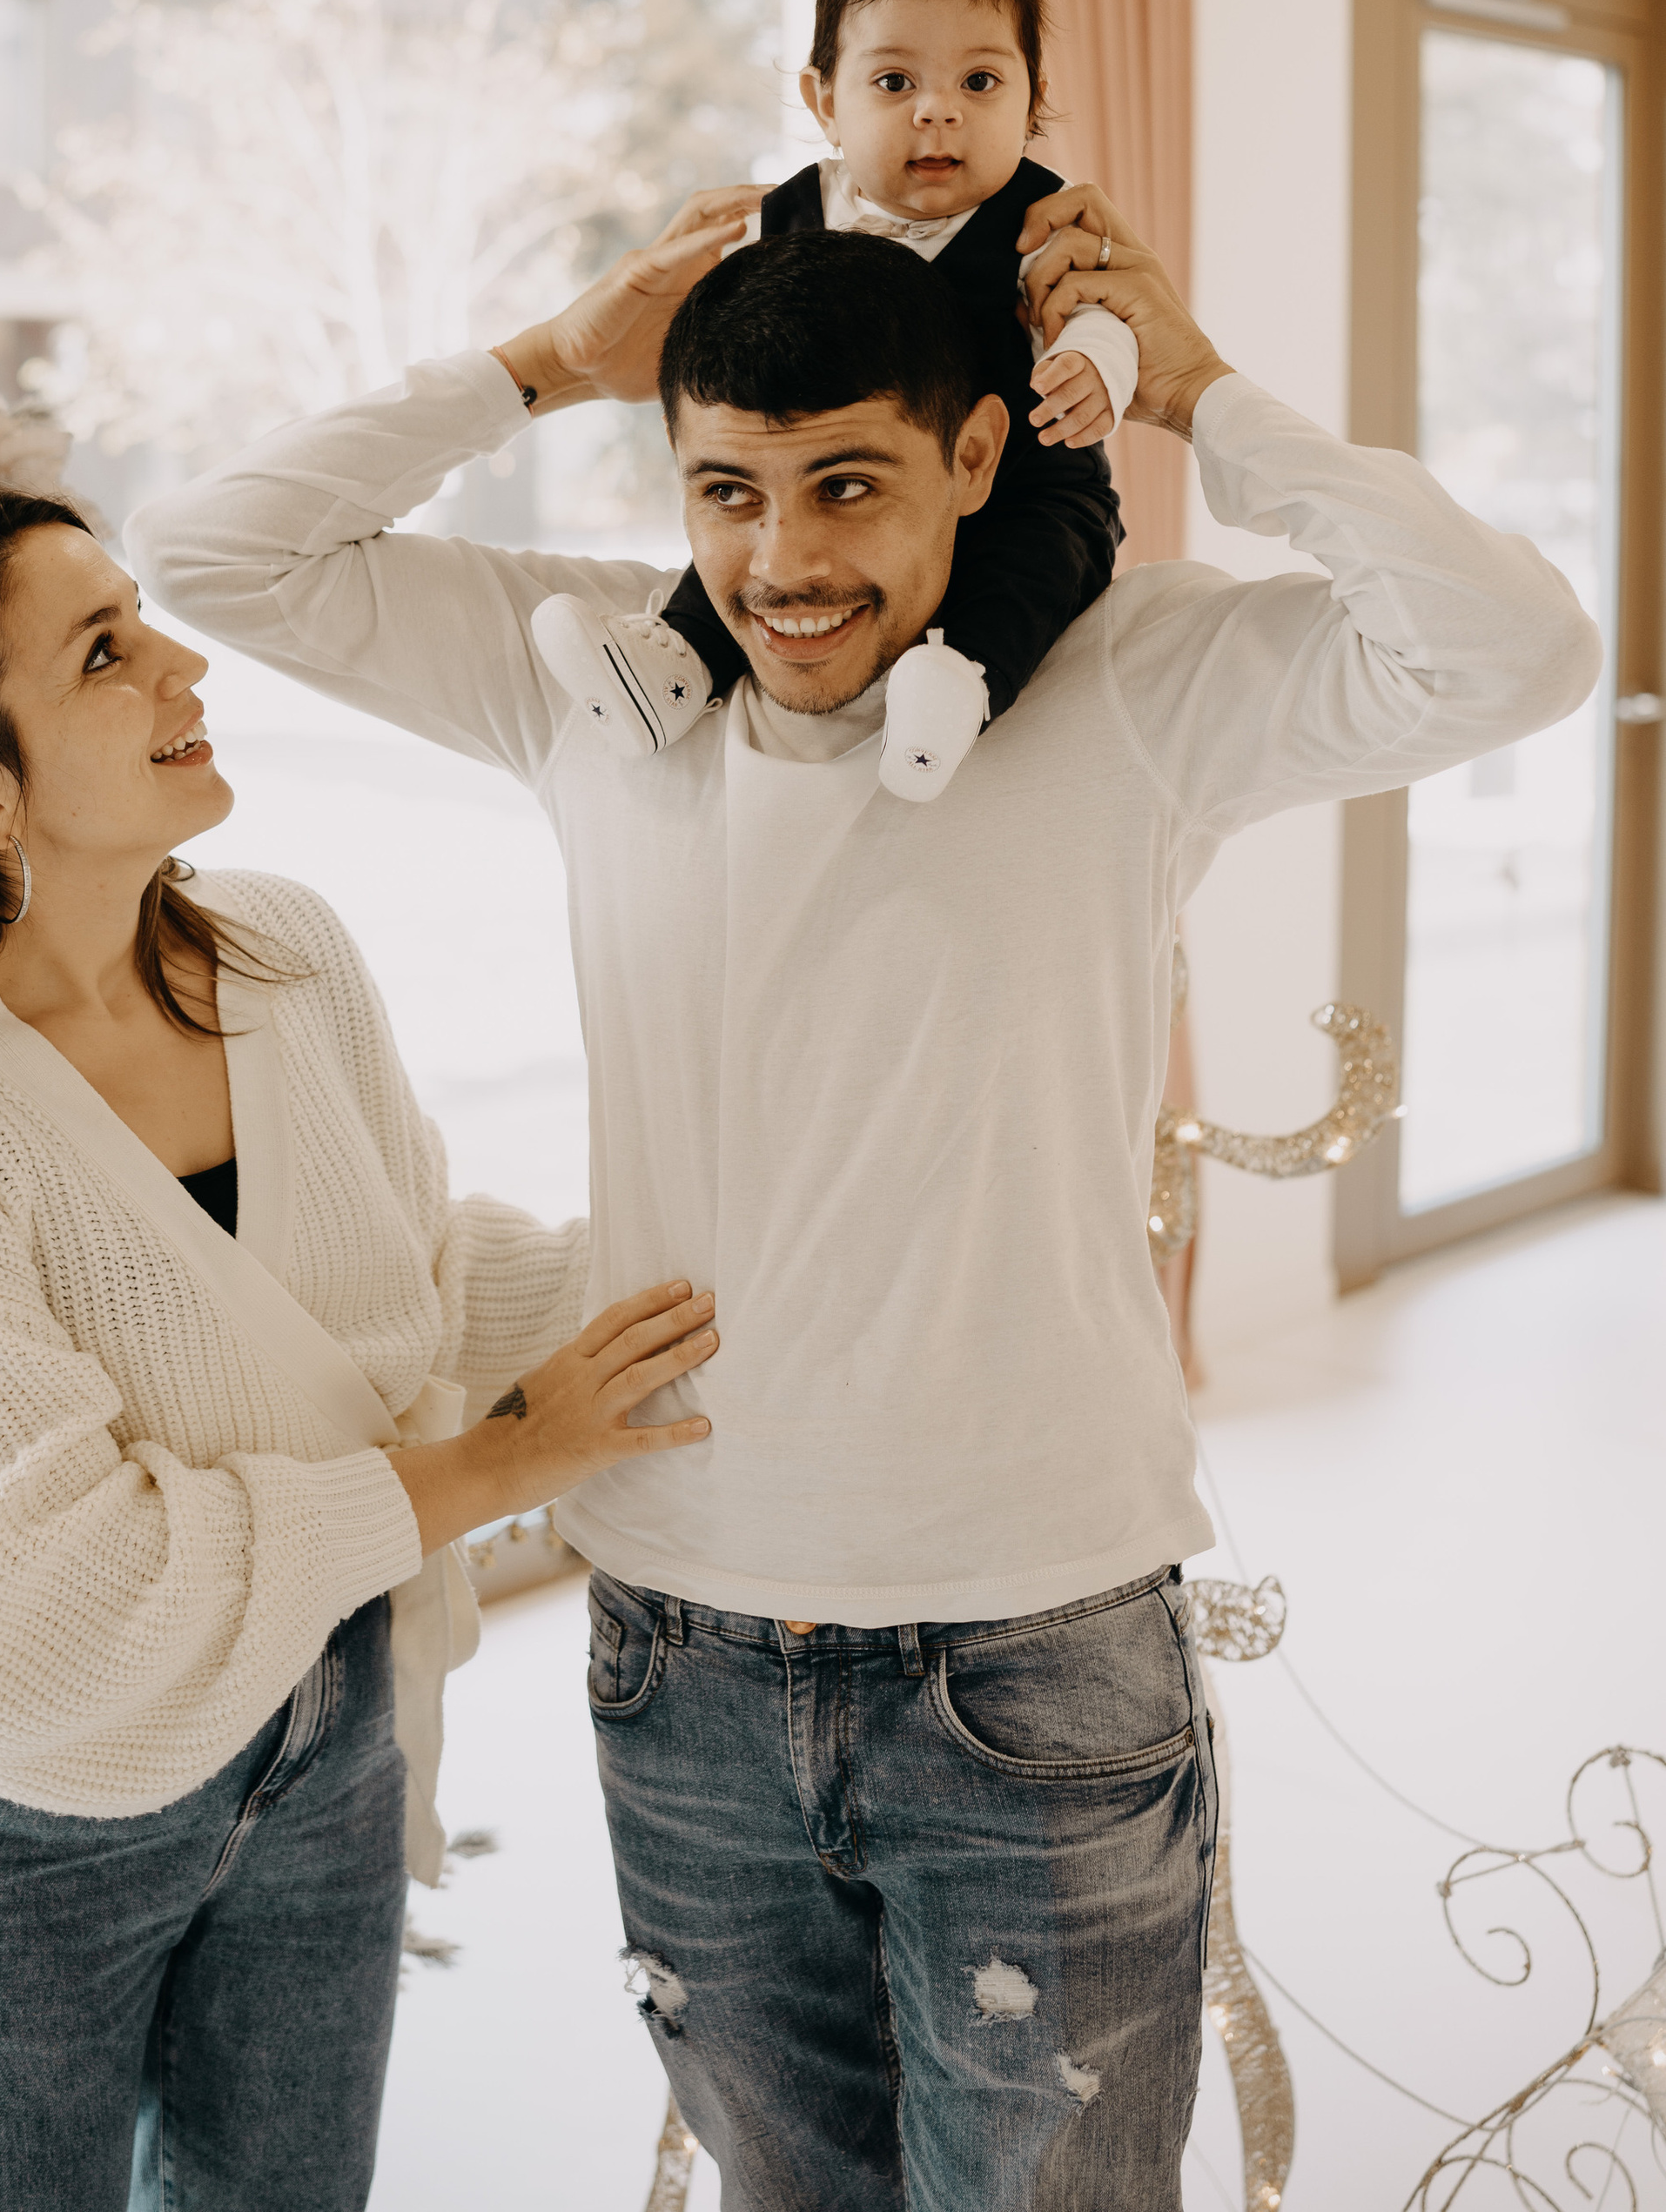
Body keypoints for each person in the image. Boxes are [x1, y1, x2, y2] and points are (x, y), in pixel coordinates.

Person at [130, 186, 1599, 2210]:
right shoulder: (593, 680)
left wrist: (1199, 395)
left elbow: (1518, 648)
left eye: (845, 486)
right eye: (725, 489)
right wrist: (540, 360)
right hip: (681, 1649)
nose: (781, 558)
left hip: (1032, 1651)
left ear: (974, 457)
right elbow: (209, 552)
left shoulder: (1129, 678)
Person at [0, 485, 719, 2212]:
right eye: (103, 652)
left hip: (321, 1735)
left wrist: (702, 1290)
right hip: (19, 1822)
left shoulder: (281, 954)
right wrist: (494, 1466)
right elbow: (41, 1599)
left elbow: (402, 1283)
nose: (182, 663)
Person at [531, 0, 1136, 800]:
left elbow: (1100, 312)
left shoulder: (1045, 219)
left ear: (1030, 99)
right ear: (825, 104)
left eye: (978, 81)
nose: (937, 110)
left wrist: (1094, 363)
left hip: (1024, 479)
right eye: (894, 81)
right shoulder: (790, 211)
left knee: (1036, 567)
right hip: (827, 488)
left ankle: (961, 691)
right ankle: (672, 670)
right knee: (758, 540)